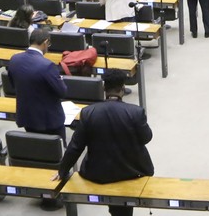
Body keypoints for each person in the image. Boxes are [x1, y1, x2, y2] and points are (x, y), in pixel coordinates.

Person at [57, 70, 154, 216]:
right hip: (131, 171)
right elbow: (146, 138)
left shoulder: (88, 112)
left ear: (104, 88)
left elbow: (75, 147)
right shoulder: (136, 112)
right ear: (122, 89)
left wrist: (62, 171)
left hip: (97, 173)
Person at [7, 28, 67, 139]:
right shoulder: (48, 66)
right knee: (57, 152)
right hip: (49, 119)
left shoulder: (14, 59)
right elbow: (62, 92)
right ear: (46, 43)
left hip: (27, 116)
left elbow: (12, 84)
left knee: (35, 149)